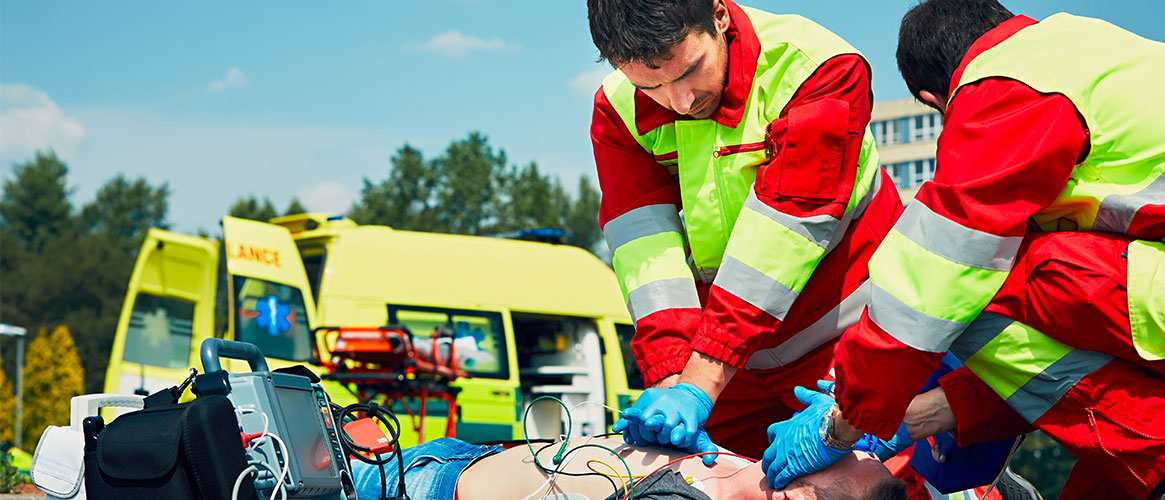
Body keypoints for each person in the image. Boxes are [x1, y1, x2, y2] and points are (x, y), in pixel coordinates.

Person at [761, 0, 1165, 498]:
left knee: (979, 284)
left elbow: (938, 277)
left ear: (937, 98)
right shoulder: (1088, 49)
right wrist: (917, 412)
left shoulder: (1007, 82)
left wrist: (845, 419)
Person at [587, 0, 902, 464]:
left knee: (881, 482)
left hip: (848, 337)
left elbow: (785, 234)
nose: (681, 102)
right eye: (649, 85)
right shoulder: (617, 109)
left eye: (691, 70)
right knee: (686, 475)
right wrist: (672, 378)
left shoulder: (816, 69)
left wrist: (699, 382)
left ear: (718, 15)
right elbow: (645, 251)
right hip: (730, 357)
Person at [348, 435, 907, 500]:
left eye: (834, 459)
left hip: (423, 488)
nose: (826, 445)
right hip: (462, 456)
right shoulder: (751, 471)